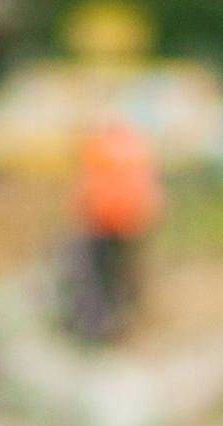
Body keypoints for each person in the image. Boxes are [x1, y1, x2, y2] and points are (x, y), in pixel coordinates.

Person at [66, 107, 160, 346]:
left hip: (104, 222)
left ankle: (106, 326)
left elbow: (87, 184)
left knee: (103, 277)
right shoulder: (136, 146)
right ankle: (126, 322)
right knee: (125, 275)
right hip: (129, 222)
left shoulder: (99, 148)